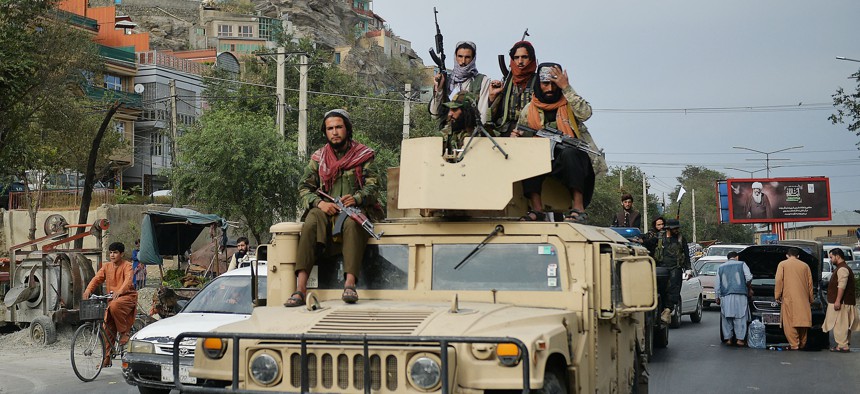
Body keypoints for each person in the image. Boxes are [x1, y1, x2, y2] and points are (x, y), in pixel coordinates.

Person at [286, 109, 379, 307]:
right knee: (311, 220)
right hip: (326, 212)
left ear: (347, 129)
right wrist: (320, 203)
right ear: (325, 132)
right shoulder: (319, 158)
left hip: (354, 211)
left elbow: (374, 187)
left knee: (354, 225)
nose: (334, 132)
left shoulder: (363, 155)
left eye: (338, 127)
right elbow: (304, 187)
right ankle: (300, 289)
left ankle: (350, 284)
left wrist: (356, 198)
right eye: (330, 128)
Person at [513, 63, 595, 223]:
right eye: (545, 84)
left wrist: (566, 87)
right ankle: (537, 209)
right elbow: (520, 133)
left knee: (570, 153)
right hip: (542, 160)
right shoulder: (529, 109)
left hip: (571, 159)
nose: (550, 88)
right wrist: (516, 137)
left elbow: (585, 113)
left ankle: (578, 209)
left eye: (553, 83)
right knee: (530, 154)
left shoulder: (569, 104)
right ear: (539, 84)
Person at [83, 242, 138, 367]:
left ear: (121, 254)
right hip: (112, 299)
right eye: (111, 252)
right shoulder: (107, 266)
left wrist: (120, 291)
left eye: (115, 252)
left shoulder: (127, 265)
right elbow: (97, 278)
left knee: (114, 306)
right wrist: (88, 290)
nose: (112, 255)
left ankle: (124, 333)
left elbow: (128, 280)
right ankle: (106, 358)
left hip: (127, 297)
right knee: (106, 327)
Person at [429, 41, 492, 127]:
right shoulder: (447, 80)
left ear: (473, 59)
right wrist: (439, 89)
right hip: (447, 132)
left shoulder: (482, 81)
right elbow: (434, 114)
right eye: (460, 56)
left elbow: (483, 113)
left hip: (471, 133)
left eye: (467, 57)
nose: (463, 61)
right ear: (455, 57)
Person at [488, 41, 538, 137]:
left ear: (531, 59)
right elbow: (492, 116)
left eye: (524, 57)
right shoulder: (507, 83)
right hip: (505, 131)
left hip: (530, 132)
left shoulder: (538, 82)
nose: (520, 61)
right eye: (516, 57)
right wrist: (492, 97)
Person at [774, 247, 813, 350]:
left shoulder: (782, 264)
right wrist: (811, 299)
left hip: (789, 298)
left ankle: (794, 344)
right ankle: (802, 343)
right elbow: (810, 284)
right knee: (803, 321)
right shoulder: (805, 266)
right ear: (798, 256)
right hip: (803, 298)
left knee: (789, 323)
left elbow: (779, 280)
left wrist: (777, 295)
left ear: (787, 255)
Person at [654, 219, 691, 324]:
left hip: (676, 268)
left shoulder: (680, 238)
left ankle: (668, 310)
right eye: (675, 228)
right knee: (661, 290)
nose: (677, 230)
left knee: (674, 290)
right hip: (661, 268)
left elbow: (686, 254)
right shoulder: (659, 237)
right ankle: (661, 311)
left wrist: (688, 269)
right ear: (669, 229)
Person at [822, 248, 859, 352]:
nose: (830, 260)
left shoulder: (842, 269)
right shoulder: (842, 268)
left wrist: (838, 300)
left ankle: (842, 345)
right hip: (845, 301)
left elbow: (841, 286)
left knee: (840, 325)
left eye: (831, 257)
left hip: (842, 302)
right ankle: (844, 344)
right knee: (843, 324)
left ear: (837, 256)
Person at [716, 251, 753, 346]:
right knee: (740, 317)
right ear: (737, 257)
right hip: (740, 295)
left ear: (728, 258)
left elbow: (717, 284)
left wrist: (717, 297)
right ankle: (740, 340)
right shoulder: (742, 264)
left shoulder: (721, 267)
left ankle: (728, 339)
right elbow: (748, 278)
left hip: (726, 296)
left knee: (726, 317)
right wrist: (748, 287)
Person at [440, 91, 486, 156]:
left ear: (466, 111)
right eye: (449, 110)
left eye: (454, 110)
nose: (450, 114)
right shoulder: (446, 132)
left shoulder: (481, 135)